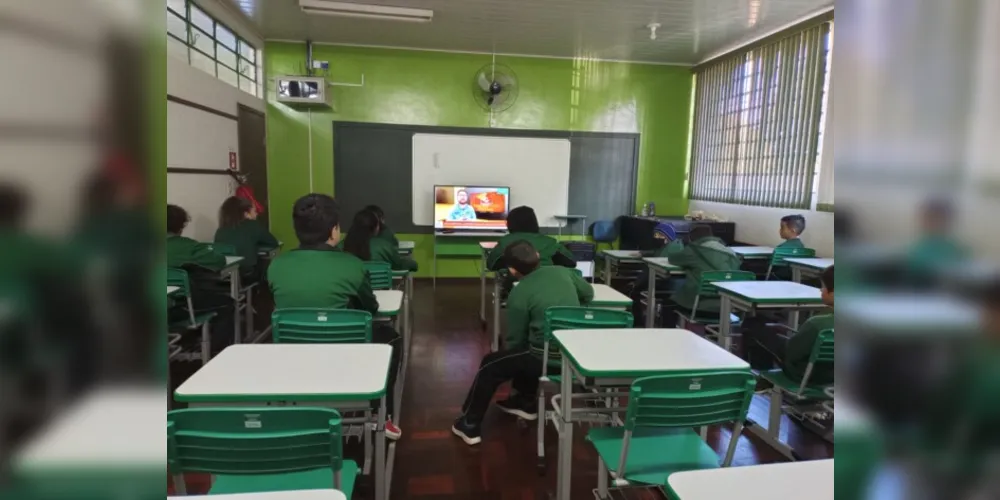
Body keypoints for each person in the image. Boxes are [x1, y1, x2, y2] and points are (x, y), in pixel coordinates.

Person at [266, 194, 403, 440]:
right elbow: (370, 309)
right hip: (344, 349)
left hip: (293, 352)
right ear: (333, 231)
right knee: (391, 338)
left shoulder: (277, 265)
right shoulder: (351, 265)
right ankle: (380, 414)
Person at [452, 240, 594, 445]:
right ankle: (525, 402)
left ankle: (470, 423)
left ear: (511, 270)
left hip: (545, 357)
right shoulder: (563, 272)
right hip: (575, 353)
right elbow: (588, 293)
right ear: (537, 255)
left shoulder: (519, 293)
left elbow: (515, 339)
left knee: (492, 364)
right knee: (526, 351)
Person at [743, 265, 834, 386]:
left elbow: (791, 353)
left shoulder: (816, 324)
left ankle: (762, 379)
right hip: (836, 379)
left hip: (804, 375)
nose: (820, 290)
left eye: (823, 287)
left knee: (753, 325)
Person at [166, 204, 235, 355]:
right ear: (181, 225)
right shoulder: (188, 246)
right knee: (228, 303)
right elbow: (219, 261)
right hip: (182, 306)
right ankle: (219, 353)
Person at [658, 224, 741, 327]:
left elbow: (673, 259)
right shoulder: (731, 254)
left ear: (692, 238)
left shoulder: (694, 250)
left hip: (698, 307)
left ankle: (668, 338)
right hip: (727, 309)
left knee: (668, 304)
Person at [487, 206, 576, 271]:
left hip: (516, 286)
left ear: (510, 223)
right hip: (548, 282)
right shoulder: (550, 242)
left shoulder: (505, 241)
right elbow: (571, 262)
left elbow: (491, 265)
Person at [214, 196, 279, 280]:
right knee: (264, 261)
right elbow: (273, 242)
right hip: (246, 274)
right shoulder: (253, 225)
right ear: (246, 214)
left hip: (225, 276)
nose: (257, 214)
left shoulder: (220, 231)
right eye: (254, 211)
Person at [627, 222, 678, 326]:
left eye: (659, 235)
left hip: (665, 283)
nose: (656, 237)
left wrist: (637, 283)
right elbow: (656, 252)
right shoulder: (671, 246)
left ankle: (638, 323)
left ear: (667, 236)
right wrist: (643, 253)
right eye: (655, 235)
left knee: (634, 291)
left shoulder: (670, 250)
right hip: (671, 284)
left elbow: (657, 262)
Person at [906, 199, 968, 275]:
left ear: (948, 222)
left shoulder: (959, 252)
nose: (934, 224)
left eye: (939, 219)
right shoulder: (914, 252)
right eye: (930, 219)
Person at [343, 209, 418, 271]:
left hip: (350, 287)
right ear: (376, 228)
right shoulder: (384, 246)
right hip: (380, 288)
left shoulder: (341, 245)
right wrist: (414, 264)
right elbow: (399, 264)